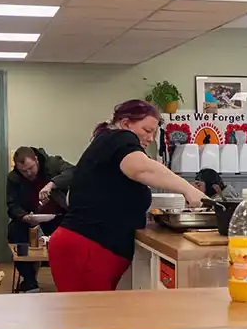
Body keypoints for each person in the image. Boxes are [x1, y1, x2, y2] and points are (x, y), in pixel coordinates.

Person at [48, 100, 207, 292]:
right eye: (147, 130)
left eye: (154, 133)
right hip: (88, 248)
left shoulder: (105, 143)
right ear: (125, 123)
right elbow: (141, 169)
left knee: (88, 317)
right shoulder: (120, 138)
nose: (150, 138)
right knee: (88, 318)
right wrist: (189, 190)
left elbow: (71, 198)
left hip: (83, 245)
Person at [7, 146, 74, 293]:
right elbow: (12, 205)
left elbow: (74, 172)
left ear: (36, 160)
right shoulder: (13, 178)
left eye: (31, 168)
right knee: (14, 230)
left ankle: (68, 278)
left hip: (58, 215)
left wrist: (52, 184)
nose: (28, 173)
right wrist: (23, 216)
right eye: (23, 171)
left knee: (70, 233)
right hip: (30, 217)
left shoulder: (53, 163)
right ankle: (29, 281)